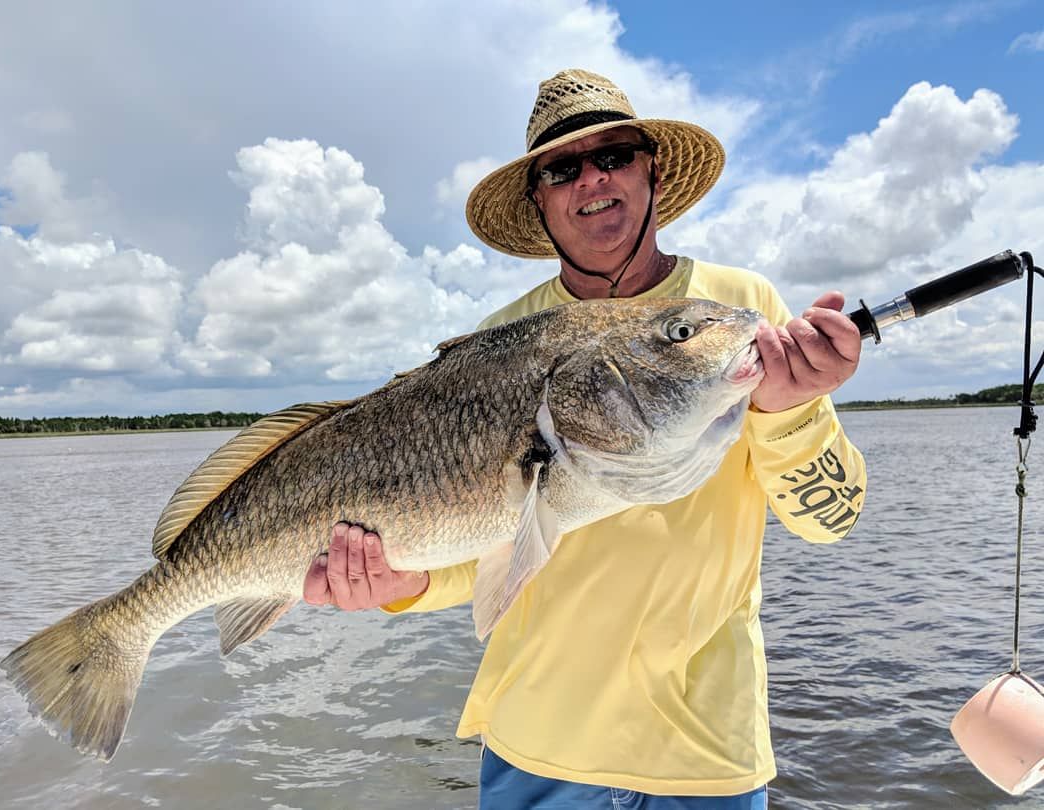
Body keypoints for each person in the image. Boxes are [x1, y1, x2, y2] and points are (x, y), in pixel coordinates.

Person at [304, 69, 866, 808]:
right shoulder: (498, 341)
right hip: (535, 749)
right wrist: (401, 584)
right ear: (538, 200)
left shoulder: (743, 312)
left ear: (651, 170)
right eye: (562, 168)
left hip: (705, 756)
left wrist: (789, 411)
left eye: (615, 155)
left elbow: (831, 519)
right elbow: (481, 540)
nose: (591, 179)